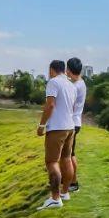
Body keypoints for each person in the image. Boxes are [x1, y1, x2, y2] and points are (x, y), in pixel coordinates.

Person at [36, 59, 76, 210]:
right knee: (66, 159)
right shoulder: (71, 85)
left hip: (57, 128)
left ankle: (55, 198)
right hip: (70, 127)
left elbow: (50, 105)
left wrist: (41, 125)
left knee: (52, 162)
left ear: (52, 70)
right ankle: (65, 193)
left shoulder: (53, 82)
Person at [65, 57, 86, 192]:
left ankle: (73, 182)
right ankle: (68, 179)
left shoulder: (74, 86)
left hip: (72, 122)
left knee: (70, 154)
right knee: (70, 153)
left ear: (69, 70)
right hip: (76, 122)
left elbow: (69, 106)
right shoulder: (80, 82)